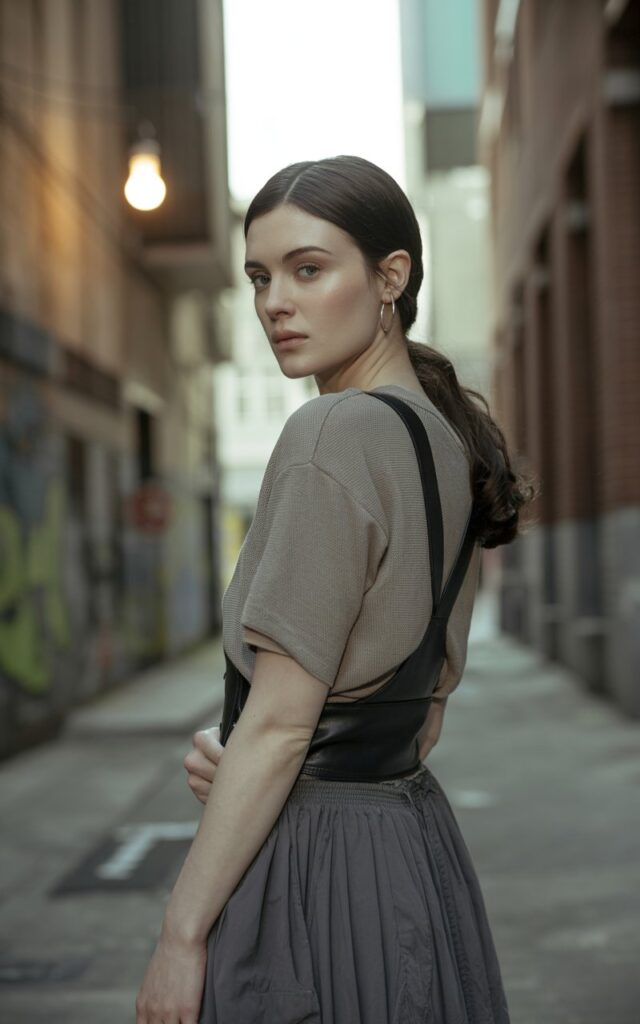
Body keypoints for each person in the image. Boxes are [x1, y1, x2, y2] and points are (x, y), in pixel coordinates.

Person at [136, 155, 535, 1024]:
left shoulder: (333, 432)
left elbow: (282, 725)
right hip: (409, 849)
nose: (274, 302)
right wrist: (256, 749)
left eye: (308, 270)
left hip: (317, 861)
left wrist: (180, 936)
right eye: (259, 276)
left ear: (390, 276)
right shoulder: (443, 440)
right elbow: (419, 717)